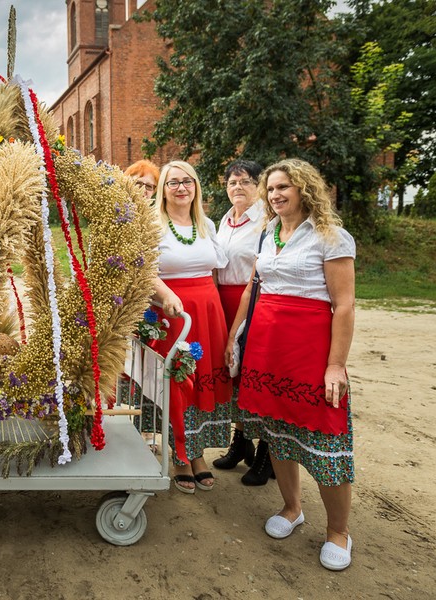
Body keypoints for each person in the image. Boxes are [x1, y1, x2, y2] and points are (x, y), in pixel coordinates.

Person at [225, 159, 356, 571]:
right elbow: (252, 288)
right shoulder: (268, 233)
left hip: (310, 350)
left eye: (284, 187)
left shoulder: (330, 236)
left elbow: (344, 305)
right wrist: (234, 336)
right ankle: (292, 507)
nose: (275, 194)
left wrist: (336, 365)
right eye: (271, 188)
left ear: (304, 189)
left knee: (325, 440)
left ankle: (338, 531)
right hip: (266, 348)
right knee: (277, 433)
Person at [150, 160, 232, 493]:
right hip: (173, 313)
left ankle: (197, 453)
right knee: (179, 382)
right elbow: (144, 270)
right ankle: (180, 456)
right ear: (163, 190)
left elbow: (215, 271)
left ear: (196, 186)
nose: (181, 187)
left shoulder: (206, 224)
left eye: (187, 181)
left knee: (202, 383)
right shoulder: (153, 224)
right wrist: (167, 294)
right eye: (173, 182)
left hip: (207, 313)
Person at [212, 159, 275, 486]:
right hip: (223, 301)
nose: (238, 187)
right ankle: (241, 441)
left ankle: (268, 453)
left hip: (254, 301)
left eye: (246, 181)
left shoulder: (267, 220)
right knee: (234, 375)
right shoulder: (224, 220)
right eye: (232, 182)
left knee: (256, 375)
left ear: (258, 186)